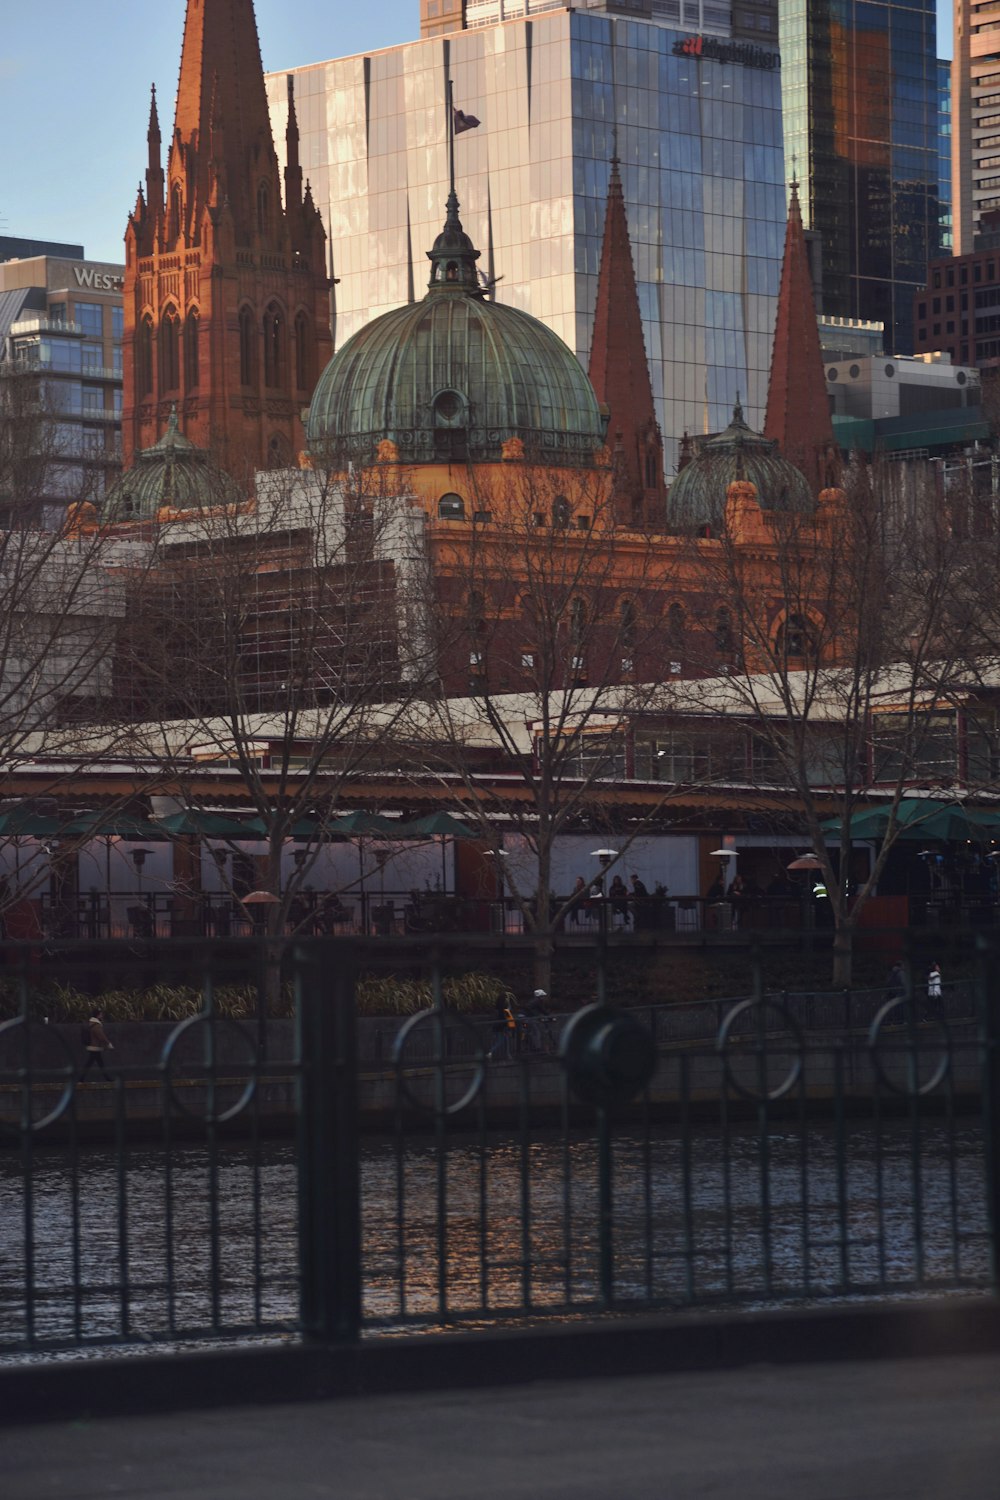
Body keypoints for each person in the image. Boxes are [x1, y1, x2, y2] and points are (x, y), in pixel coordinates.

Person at [80, 1010, 114, 1082]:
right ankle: (107, 1078)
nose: (102, 1016)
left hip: (94, 1047)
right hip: (95, 1047)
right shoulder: (96, 1025)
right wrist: (108, 1043)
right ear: (97, 1015)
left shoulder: (91, 1023)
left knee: (94, 1063)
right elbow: (101, 1036)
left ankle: (81, 1078)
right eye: (101, 1014)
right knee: (95, 1064)